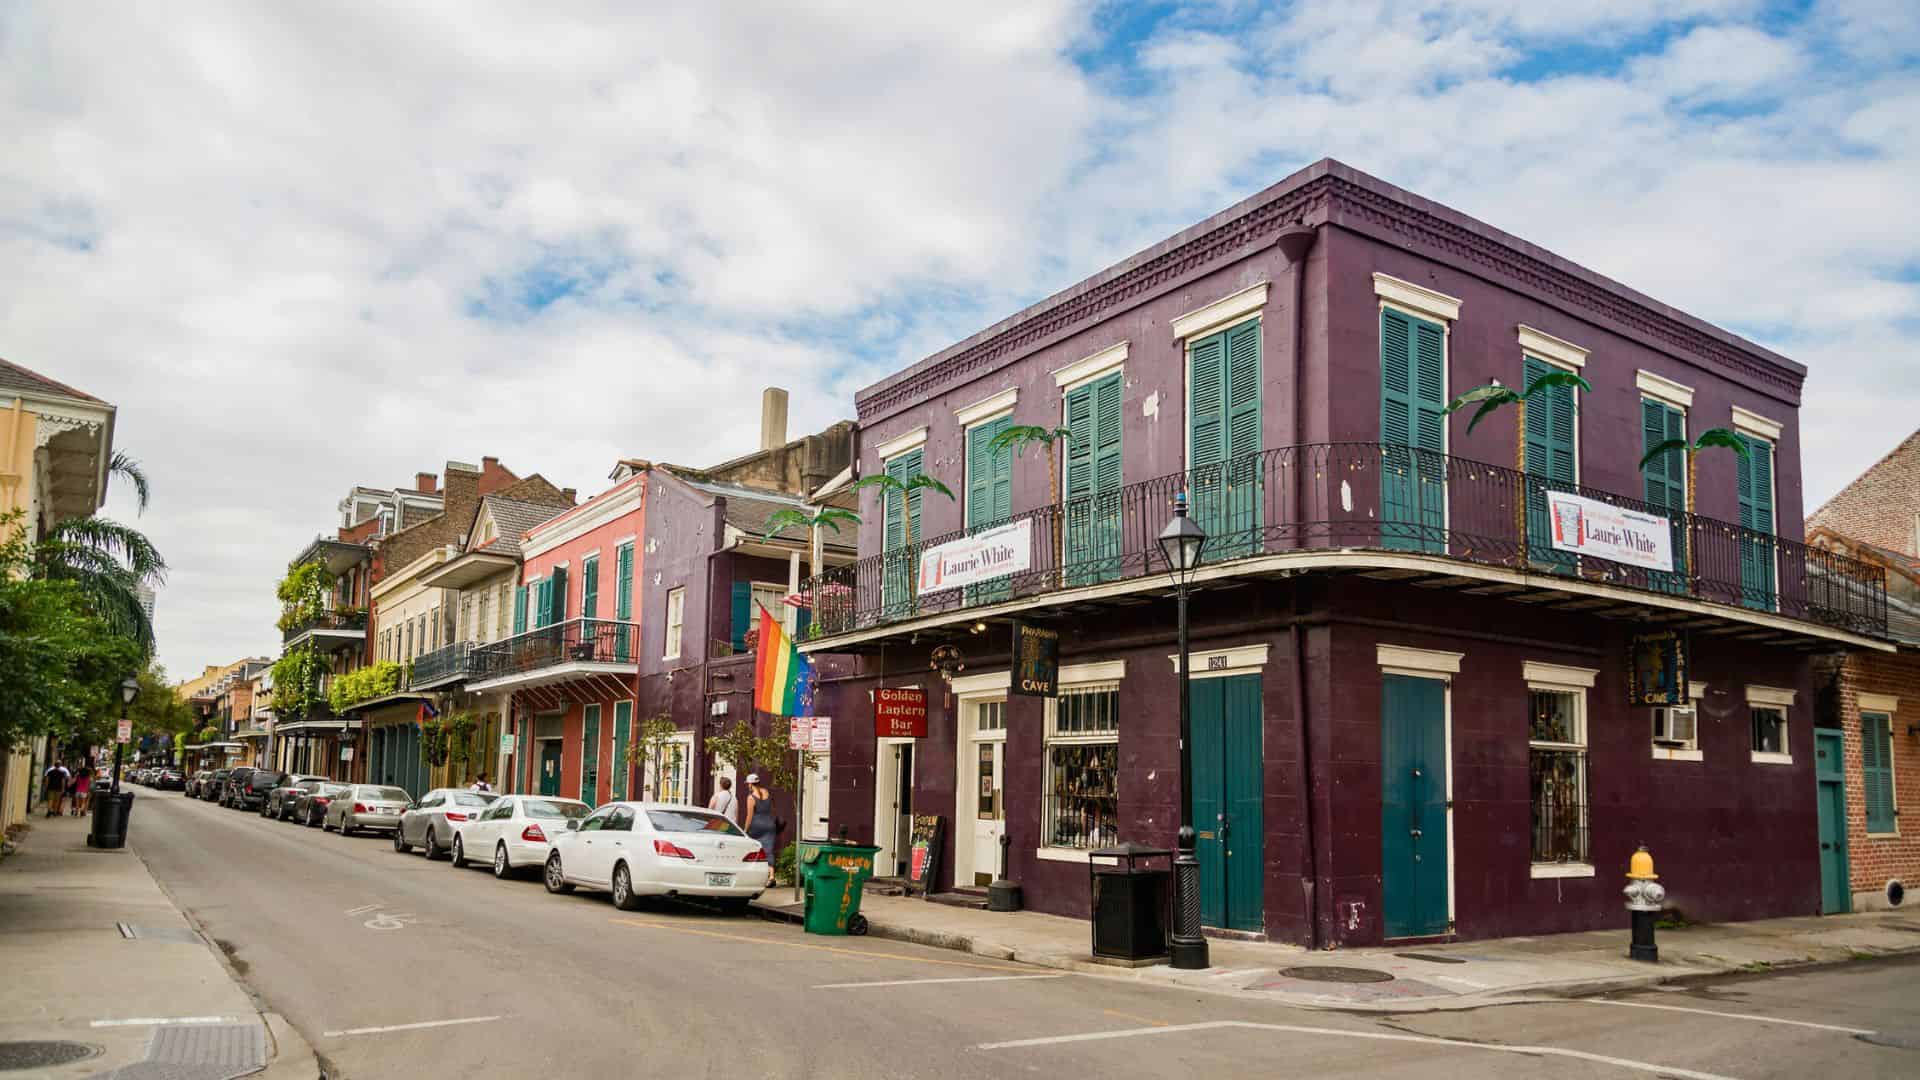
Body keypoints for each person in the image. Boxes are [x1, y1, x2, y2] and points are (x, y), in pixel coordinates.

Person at [743, 773, 776, 859]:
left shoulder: (751, 797)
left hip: (756, 826)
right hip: (769, 824)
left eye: (747, 784)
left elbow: (749, 816)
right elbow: (772, 808)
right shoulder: (766, 792)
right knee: (769, 852)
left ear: (750, 784)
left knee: (754, 851)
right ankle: (771, 872)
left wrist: (745, 830)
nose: (747, 786)